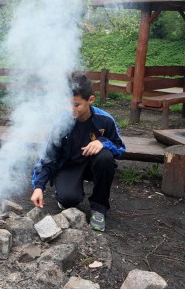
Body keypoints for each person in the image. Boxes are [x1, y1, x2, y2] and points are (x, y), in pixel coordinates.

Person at [30, 74, 126, 231]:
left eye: (76, 105)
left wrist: (102, 142)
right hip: (69, 166)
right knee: (69, 200)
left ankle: (99, 209)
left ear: (91, 100)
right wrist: (38, 187)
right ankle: (66, 194)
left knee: (105, 157)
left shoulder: (105, 120)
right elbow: (48, 158)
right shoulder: (61, 123)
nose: (71, 110)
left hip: (93, 165)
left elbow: (120, 147)